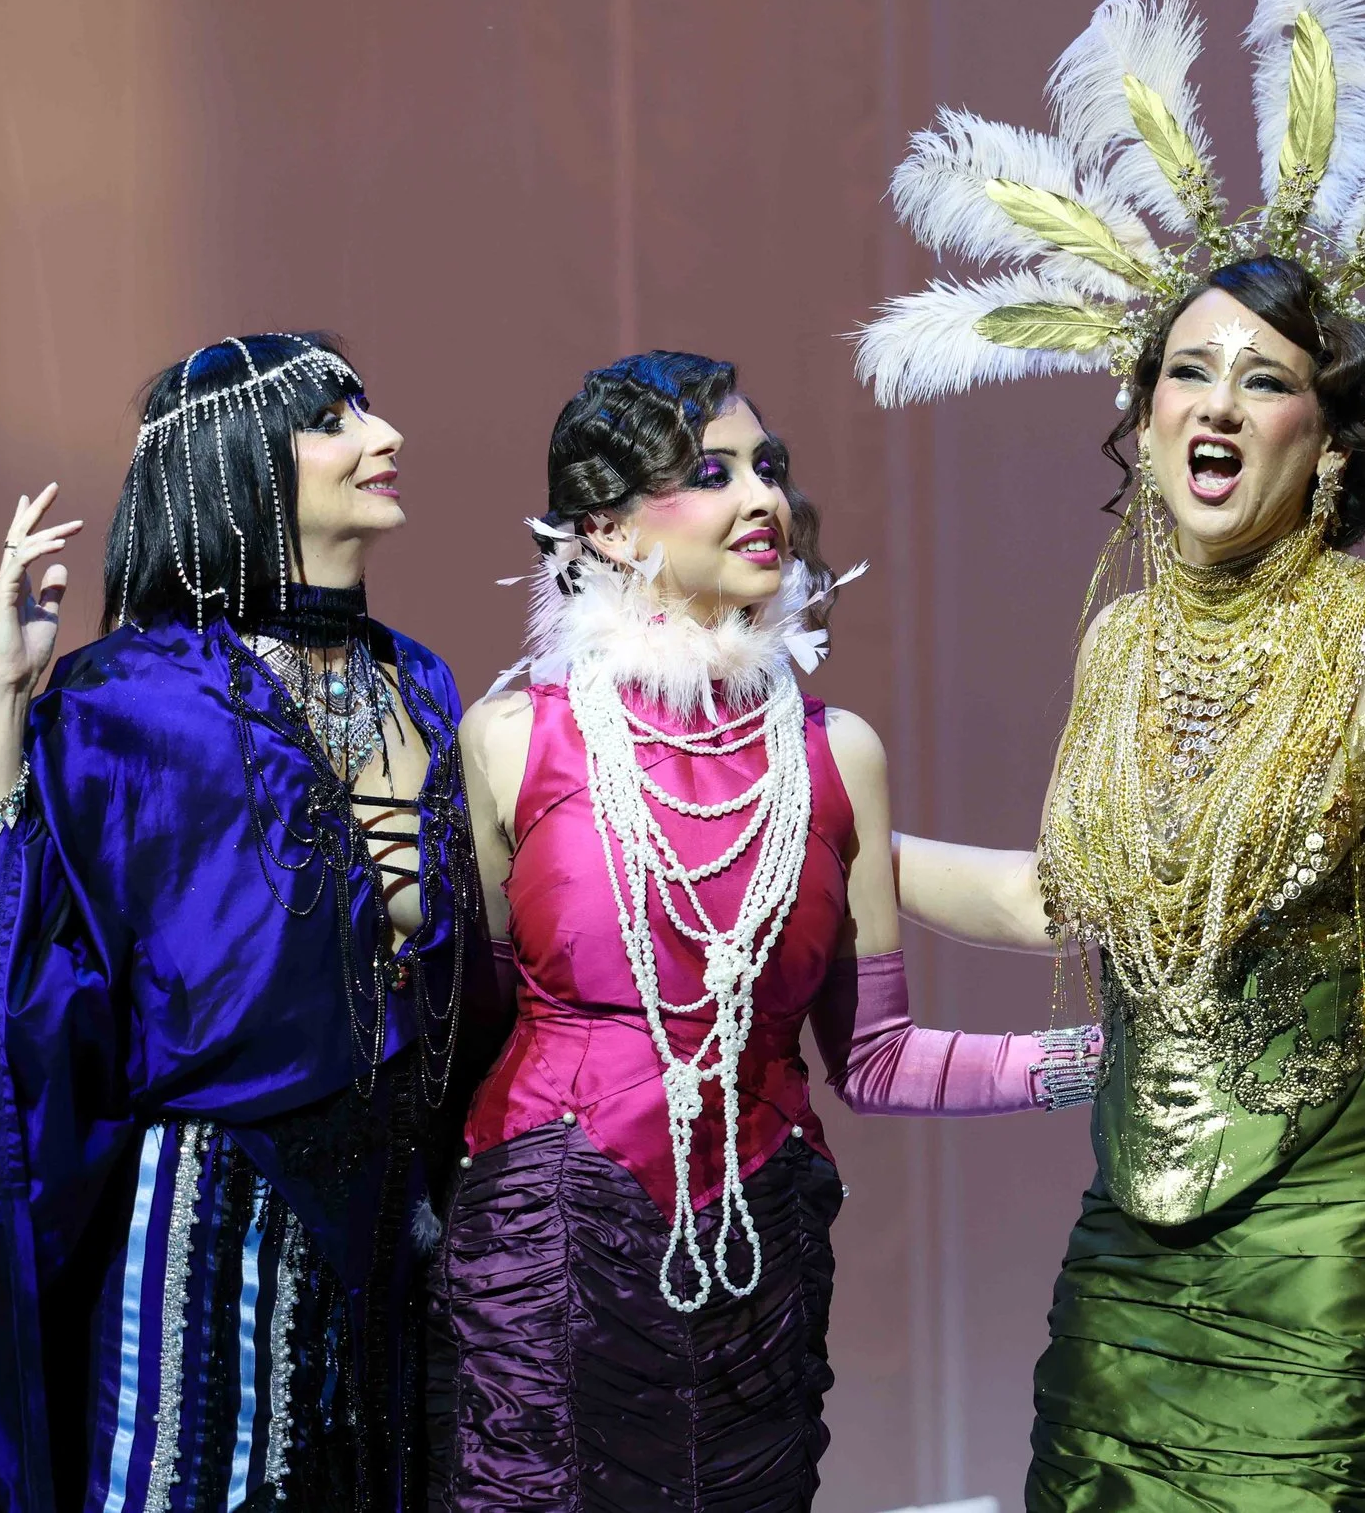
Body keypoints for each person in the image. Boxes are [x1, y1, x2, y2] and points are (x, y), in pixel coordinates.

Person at [855, 0, 1365, 1509]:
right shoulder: (1118, 642)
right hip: (1134, 1239)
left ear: (1333, 441)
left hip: (1345, 1230)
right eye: (1187, 371)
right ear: (1141, 418)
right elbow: (1077, 896)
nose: (1216, 403)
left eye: (1263, 380)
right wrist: (834, 828)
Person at [426, 350, 1101, 1513]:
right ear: (606, 528)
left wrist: (1098, 1061)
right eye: (713, 472)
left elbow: (877, 1059)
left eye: (768, 466)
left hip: (760, 1255)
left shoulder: (837, 754)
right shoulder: (512, 737)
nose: (763, 497)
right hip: (550, 1254)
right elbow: (467, 1026)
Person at [0, 334, 485, 1513]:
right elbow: (9, 943)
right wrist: (1, 698)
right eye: (335, 418)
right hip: (217, 1207)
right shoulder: (135, 696)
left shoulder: (425, 684)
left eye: (368, 408)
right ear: (240, 457)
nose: (384, 434)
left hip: (392, 1212)